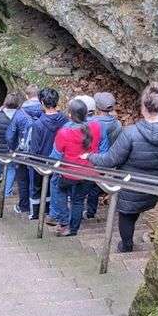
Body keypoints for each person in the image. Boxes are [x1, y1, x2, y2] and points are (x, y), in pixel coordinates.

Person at [87, 84, 158, 253]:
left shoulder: (131, 133)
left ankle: (126, 245)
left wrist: (90, 157)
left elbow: (110, 159)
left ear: (143, 107)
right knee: (155, 211)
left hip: (131, 185)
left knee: (127, 216)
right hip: (156, 184)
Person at [51, 98, 102, 236]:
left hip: (69, 172)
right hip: (89, 171)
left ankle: (63, 220)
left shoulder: (64, 132)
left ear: (69, 115)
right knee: (78, 200)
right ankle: (72, 229)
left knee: (57, 187)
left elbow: (56, 153)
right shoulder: (96, 127)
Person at [27, 88, 68, 219]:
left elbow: (34, 148)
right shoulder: (65, 121)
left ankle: (36, 213)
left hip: (42, 161)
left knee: (37, 187)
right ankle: (53, 210)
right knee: (56, 186)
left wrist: (32, 162)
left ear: (42, 102)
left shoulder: (38, 124)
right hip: (61, 160)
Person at [4, 88, 43, 213]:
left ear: (26, 96)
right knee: (39, 179)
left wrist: (12, 148)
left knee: (23, 180)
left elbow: (10, 135)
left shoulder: (19, 113)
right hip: (40, 152)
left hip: (22, 152)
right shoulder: (45, 111)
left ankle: (24, 206)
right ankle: (39, 208)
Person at [85, 92, 122, 220]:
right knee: (97, 186)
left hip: (94, 158)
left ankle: (88, 212)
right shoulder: (117, 124)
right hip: (111, 158)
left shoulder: (93, 123)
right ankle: (94, 211)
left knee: (90, 185)